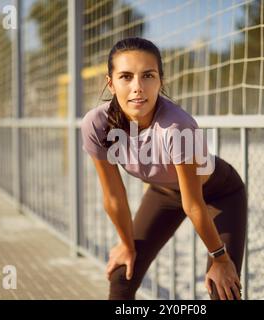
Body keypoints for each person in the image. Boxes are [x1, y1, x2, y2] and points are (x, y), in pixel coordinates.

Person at [80, 37, 247, 300]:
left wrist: (221, 259)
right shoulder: (96, 124)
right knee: (121, 276)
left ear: (161, 81)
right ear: (110, 83)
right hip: (165, 193)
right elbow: (113, 197)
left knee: (223, 289)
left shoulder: (177, 126)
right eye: (126, 76)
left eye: (148, 75)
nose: (138, 87)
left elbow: (193, 204)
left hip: (218, 193)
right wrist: (126, 244)